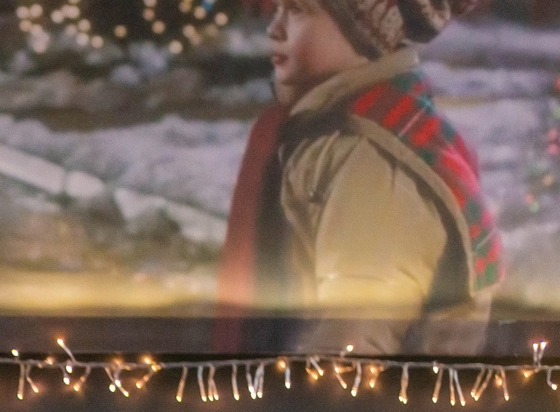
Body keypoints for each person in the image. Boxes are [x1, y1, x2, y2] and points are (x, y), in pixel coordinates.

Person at [214, 0, 501, 354]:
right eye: (278, 9)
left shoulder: (371, 163)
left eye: (299, 10)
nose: (275, 28)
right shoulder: (331, 133)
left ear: (367, 33)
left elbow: (350, 355)